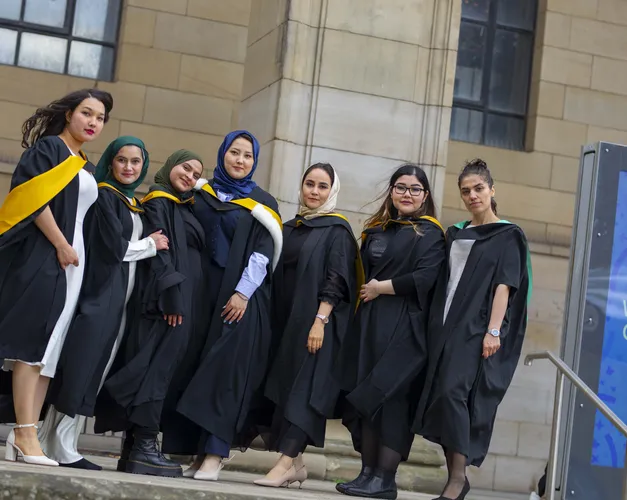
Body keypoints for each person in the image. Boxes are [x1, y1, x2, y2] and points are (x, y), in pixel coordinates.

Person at [38, 136, 168, 470]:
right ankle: (59, 445)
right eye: (122, 160)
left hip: (120, 304)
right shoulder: (105, 197)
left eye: (136, 162)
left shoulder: (130, 201)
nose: (128, 167)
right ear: (111, 161)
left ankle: (53, 442)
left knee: (92, 372)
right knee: (81, 370)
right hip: (98, 297)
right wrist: (151, 244)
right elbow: (115, 248)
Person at [160, 130, 282, 482]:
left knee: (224, 376)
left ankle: (215, 454)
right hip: (200, 297)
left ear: (255, 161)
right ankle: (197, 453)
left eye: (247, 155)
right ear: (223, 154)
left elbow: (263, 253)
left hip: (238, 302)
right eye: (234, 152)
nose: (240, 160)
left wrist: (242, 293)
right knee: (194, 369)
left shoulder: (262, 203)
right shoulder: (200, 193)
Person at [0, 89, 112, 466]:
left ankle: (26, 435)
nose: (93, 122)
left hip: (73, 267)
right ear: (69, 115)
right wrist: (62, 245)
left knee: (50, 353)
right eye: (87, 113)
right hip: (47, 258)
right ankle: (25, 432)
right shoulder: (49, 150)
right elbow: (31, 201)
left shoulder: (86, 166)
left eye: (100, 118)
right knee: (31, 349)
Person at [413, 159, 531, 500]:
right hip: (445, 325)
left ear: (492, 190)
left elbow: (504, 286)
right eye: (466, 191)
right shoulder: (457, 233)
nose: (472, 195)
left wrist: (493, 331)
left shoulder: (508, 235)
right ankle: (456, 476)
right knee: (445, 396)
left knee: (454, 394)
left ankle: (457, 478)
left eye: (479, 189)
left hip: (475, 327)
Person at [336, 164, 446, 500]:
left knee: (392, 401)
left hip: (404, 328)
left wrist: (380, 288)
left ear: (425, 195)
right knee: (368, 397)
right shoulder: (376, 230)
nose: (407, 194)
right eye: (401, 188)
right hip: (369, 325)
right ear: (392, 192)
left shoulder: (430, 234)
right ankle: (367, 473)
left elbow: (425, 279)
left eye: (414, 189)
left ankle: (385, 477)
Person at [94, 150, 205, 478]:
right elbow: (160, 252)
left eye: (197, 174)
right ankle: (143, 448)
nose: (190, 175)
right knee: (154, 372)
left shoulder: (181, 203)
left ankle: (133, 452)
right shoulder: (159, 201)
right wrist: (171, 295)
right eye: (186, 167)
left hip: (178, 303)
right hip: (163, 305)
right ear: (171, 165)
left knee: (158, 370)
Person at [253, 163, 361, 488]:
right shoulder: (290, 227)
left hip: (318, 326)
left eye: (322, 186)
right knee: (284, 391)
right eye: (309, 184)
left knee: (306, 393)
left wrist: (320, 320)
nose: (314, 192)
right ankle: (296, 464)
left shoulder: (337, 231)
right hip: (287, 322)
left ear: (333, 191)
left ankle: (285, 463)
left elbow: (337, 279)